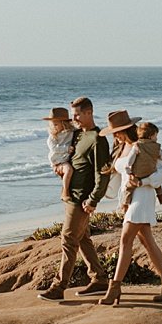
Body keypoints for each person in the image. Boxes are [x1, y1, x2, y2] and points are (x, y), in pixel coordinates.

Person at [38, 97, 112, 302]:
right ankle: (99, 280)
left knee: (68, 240)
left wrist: (93, 200)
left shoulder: (98, 139)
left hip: (81, 199)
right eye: (73, 115)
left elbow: (102, 174)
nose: (75, 119)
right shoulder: (78, 135)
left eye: (78, 114)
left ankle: (58, 287)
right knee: (82, 239)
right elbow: (66, 157)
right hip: (71, 196)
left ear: (89, 112)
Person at [97, 110, 162, 306]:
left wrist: (143, 181)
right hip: (129, 198)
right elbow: (118, 174)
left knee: (125, 239)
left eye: (118, 131)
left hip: (143, 195)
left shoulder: (144, 146)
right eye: (114, 132)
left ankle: (114, 288)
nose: (115, 135)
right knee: (147, 241)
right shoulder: (121, 147)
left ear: (128, 129)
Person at [120, 121, 162, 210]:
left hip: (139, 174)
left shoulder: (137, 146)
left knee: (129, 187)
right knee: (158, 184)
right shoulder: (157, 147)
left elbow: (131, 159)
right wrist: (159, 156)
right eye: (156, 136)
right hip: (151, 172)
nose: (156, 138)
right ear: (151, 136)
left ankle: (125, 203)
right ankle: (160, 196)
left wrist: (128, 169)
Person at [42, 107, 75, 202]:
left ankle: (65, 189)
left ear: (64, 123)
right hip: (58, 160)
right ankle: (65, 191)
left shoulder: (70, 132)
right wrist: (66, 149)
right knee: (69, 170)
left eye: (56, 124)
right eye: (52, 125)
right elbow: (54, 148)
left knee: (68, 172)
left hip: (66, 158)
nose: (54, 127)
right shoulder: (52, 137)